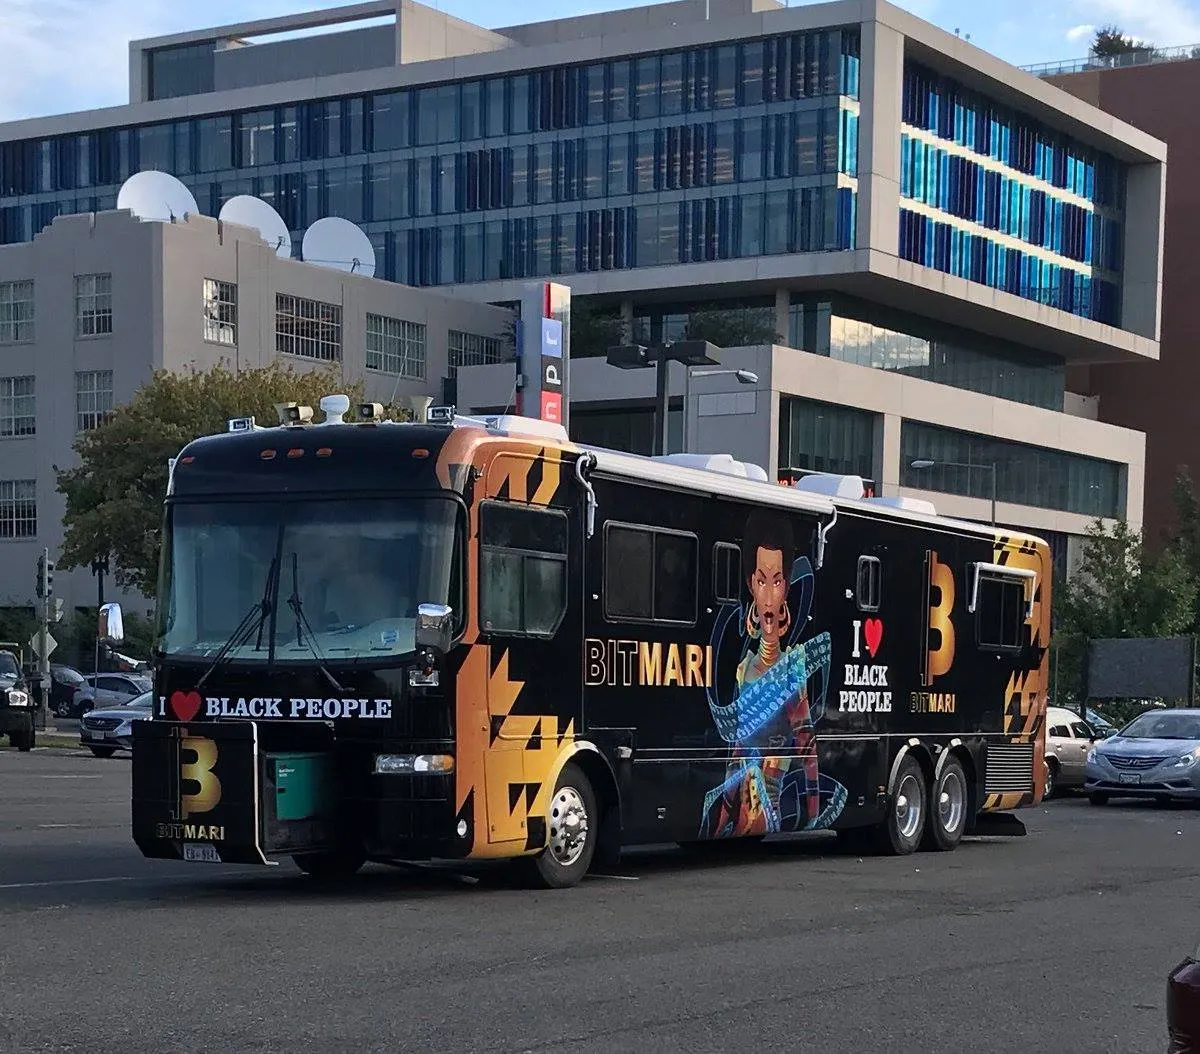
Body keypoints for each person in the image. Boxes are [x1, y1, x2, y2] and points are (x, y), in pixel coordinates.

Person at [700, 508, 846, 837]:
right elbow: (736, 753)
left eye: (777, 581)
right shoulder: (743, 669)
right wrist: (723, 813)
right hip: (739, 802)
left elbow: (807, 747)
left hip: (771, 802)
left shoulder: (793, 667)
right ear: (751, 583)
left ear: (787, 587)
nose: (768, 595)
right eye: (761, 580)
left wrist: (812, 809)